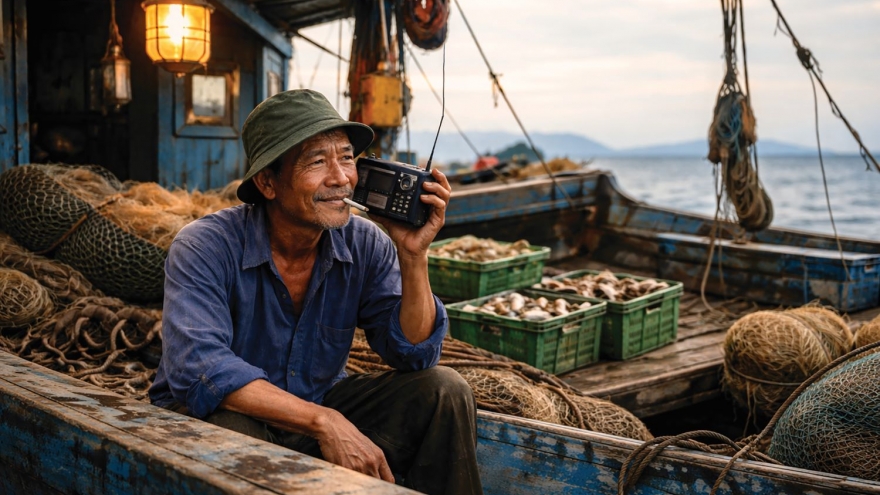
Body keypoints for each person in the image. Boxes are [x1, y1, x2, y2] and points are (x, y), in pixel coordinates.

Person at [148, 89, 482, 495]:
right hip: (220, 416)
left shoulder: (365, 243)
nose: (341, 177)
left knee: (443, 388)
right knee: (233, 430)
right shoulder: (204, 246)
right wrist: (324, 422)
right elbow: (201, 369)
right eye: (317, 161)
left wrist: (413, 256)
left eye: (345, 157)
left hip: (317, 403)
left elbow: (413, 353)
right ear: (268, 182)